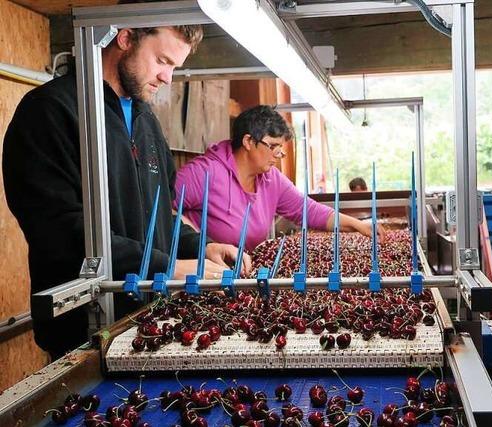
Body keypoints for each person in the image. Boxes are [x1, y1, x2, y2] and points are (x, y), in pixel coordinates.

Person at [2, 22, 247, 360]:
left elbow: (160, 217)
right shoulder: (51, 112)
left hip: (150, 323)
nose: (168, 78)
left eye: (174, 66)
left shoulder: (147, 121)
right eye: (162, 60)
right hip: (87, 335)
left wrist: (203, 247)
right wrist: (170, 267)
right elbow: (58, 231)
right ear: (126, 37)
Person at [175, 105, 385, 253]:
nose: (279, 155)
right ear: (248, 141)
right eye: (273, 146)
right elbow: (159, 208)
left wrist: (358, 225)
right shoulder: (204, 173)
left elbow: (309, 211)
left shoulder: (270, 179)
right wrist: (198, 242)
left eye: (281, 149)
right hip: (199, 279)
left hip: (238, 275)